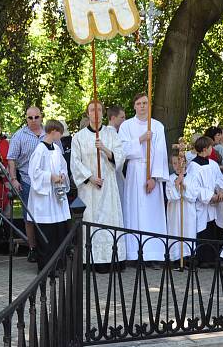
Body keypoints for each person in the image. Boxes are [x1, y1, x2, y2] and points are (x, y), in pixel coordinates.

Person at [70, 100, 125, 269]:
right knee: (90, 219)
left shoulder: (111, 134)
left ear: (103, 113)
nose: (96, 113)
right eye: (92, 110)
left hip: (108, 186)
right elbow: (75, 162)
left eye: (99, 110)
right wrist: (90, 177)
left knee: (109, 219)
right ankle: (91, 260)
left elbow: (120, 156)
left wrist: (105, 149)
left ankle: (112, 259)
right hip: (89, 187)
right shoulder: (78, 137)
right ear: (88, 113)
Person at [119, 93, 169, 263]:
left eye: (145, 103)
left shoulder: (157, 126)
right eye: (139, 103)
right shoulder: (126, 126)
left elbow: (161, 153)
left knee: (152, 213)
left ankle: (154, 254)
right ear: (134, 106)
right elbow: (122, 150)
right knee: (133, 211)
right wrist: (140, 139)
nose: (142, 106)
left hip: (151, 172)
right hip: (134, 171)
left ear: (149, 105)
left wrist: (154, 177)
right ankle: (134, 253)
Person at [27, 119, 71, 271]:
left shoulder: (56, 149)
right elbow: (34, 173)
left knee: (58, 230)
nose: (61, 135)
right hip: (44, 198)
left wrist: (62, 175)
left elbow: (63, 167)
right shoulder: (40, 150)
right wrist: (51, 176)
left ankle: (59, 264)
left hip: (56, 196)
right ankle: (46, 267)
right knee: (47, 233)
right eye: (60, 132)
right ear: (53, 132)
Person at [8, 106, 48, 262]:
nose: (33, 120)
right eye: (30, 118)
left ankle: (46, 246)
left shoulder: (49, 134)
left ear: (41, 117)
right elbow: (11, 158)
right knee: (29, 218)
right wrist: (13, 179)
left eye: (36, 117)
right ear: (26, 118)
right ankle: (32, 248)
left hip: (47, 182)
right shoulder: (19, 136)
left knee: (46, 216)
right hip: (27, 181)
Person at [187, 136, 223, 266]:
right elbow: (193, 188)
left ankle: (217, 258)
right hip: (203, 204)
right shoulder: (193, 166)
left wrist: (221, 191)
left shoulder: (213, 164)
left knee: (217, 228)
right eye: (211, 147)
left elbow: (220, 180)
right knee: (204, 229)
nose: (213, 149)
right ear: (205, 149)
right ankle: (204, 259)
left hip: (216, 204)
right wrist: (211, 196)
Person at [165, 153, 194, 263]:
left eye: (180, 162)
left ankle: (188, 257)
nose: (177, 165)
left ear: (185, 163)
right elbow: (171, 196)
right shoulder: (169, 179)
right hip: (174, 211)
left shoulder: (192, 178)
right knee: (175, 231)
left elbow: (193, 196)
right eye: (174, 163)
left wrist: (184, 187)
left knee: (188, 231)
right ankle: (176, 257)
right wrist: (176, 185)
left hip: (188, 210)